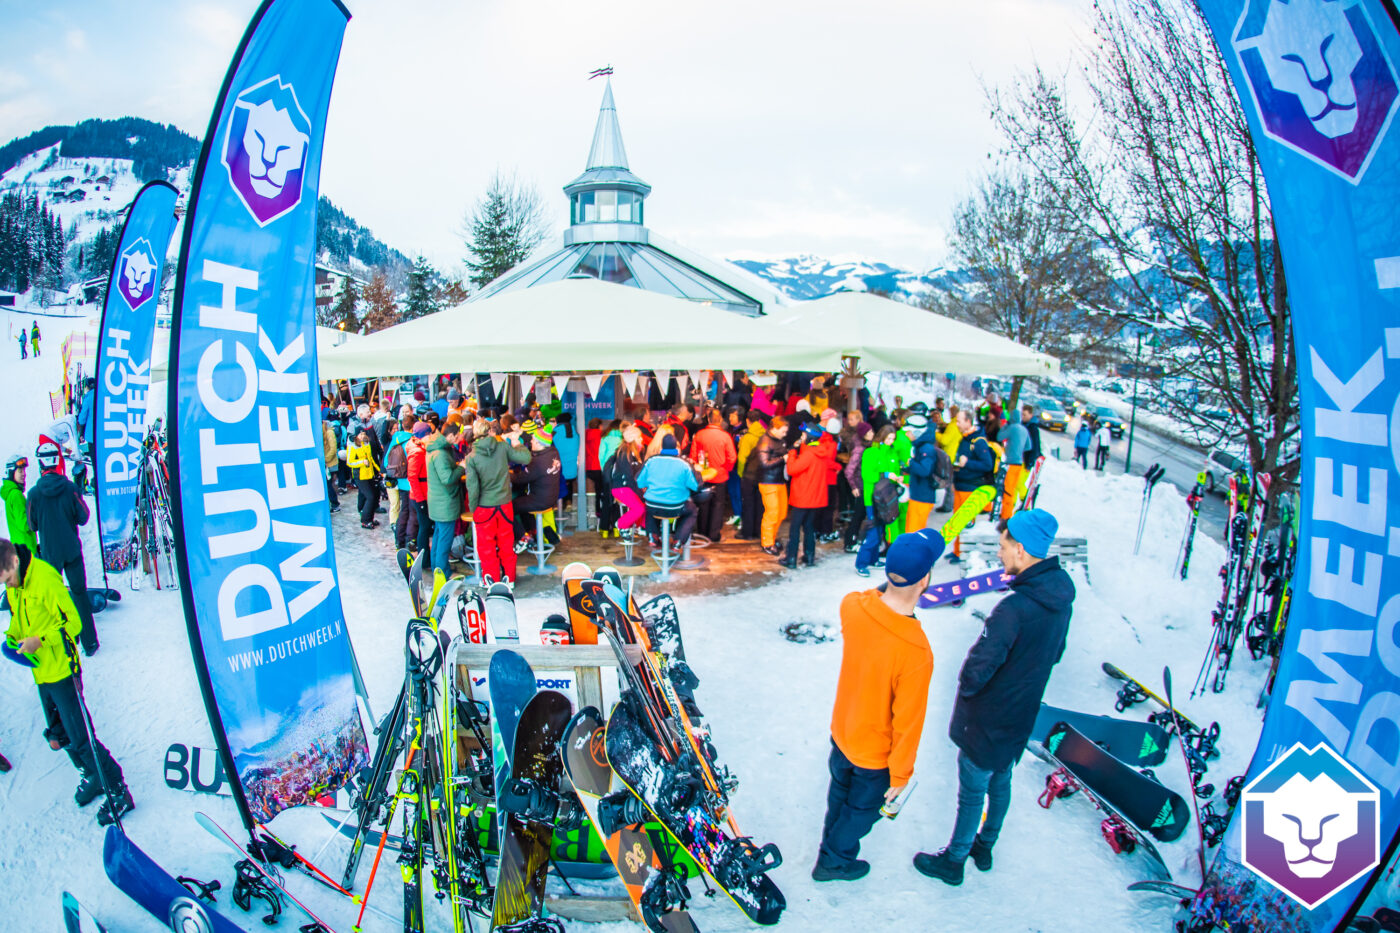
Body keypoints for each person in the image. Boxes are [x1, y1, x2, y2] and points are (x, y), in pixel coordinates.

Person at [914, 509, 1074, 885]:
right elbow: (1056, 653)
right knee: (1001, 778)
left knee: (973, 791)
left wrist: (971, 693)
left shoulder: (1014, 608)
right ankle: (984, 846)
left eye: (1003, 546)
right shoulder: (1060, 596)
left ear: (1021, 550)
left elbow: (977, 670)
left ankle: (953, 862)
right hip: (1022, 712)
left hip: (989, 717)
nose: (999, 554)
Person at [815, 530, 941, 882]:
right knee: (860, 812)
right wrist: (900, 775)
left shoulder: (853, 607)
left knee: (839, 797)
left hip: (843, 734)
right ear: (925, 580)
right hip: (874, 755)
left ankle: (831, 851)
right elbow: (908, 722)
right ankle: (833, 862)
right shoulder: (916, 652)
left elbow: (869, 597)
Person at [1, 537, 132, 823]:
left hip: (63, 669)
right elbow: (19, 620)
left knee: (81, 737)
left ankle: (119, 791)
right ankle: (92, 775)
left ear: (15, 561)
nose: (8, 585)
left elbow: (74, 623)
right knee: (59, 736)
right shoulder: (15, 585)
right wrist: (12, 637)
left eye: (7, 579)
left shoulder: (45, 579)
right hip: (41, 671)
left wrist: (40, 640)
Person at [27, 442, 98, 655]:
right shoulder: (70, 488)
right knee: (79, 594)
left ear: (41, 463)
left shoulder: (34, 494)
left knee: (56, 600)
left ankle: (64, 642)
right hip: (72, 550)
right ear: (57, 461)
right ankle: (90, 643)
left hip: (50, 554)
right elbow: (84, 517)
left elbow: (32, 524)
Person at [465, 420, 532, 583]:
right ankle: (509, 578)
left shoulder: (471, 457)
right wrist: (517, 442)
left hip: (484, 507)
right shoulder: (502, 447)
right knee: (506, 544)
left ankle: (492, 580)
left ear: (475, 434)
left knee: (486, 547)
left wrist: (474, 509)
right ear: (490, 431)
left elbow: (472, 488)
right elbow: (525, 458)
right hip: (504, 504)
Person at [784, 421, 835, 568]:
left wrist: (792, 452)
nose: (802, 437)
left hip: (803, 498)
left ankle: (791, 559)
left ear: (809, 437)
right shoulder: (821, 452)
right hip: (815, 498)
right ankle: (809, 556)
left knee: (795, 528)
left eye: (803, 434)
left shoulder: (809, 454)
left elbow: (792, 469)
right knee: (809, 527)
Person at [637, 434, 699, 548]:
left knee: (650, 506)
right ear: (676, 447)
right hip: (675, 507)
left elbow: (640, 482)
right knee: (692, 511)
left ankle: (653, 536)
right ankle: (678, 540)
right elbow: (695, 486)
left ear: (662, 446)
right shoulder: (684, 464)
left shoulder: (651, 461)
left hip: (653, 506)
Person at [949, 410, 995, 564]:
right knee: (957, 520)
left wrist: (967, 463)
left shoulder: (978, 442)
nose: (957, 424)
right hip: (961, 485)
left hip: (970, 487)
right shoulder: (965, 439)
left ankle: (964, 552)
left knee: (966, 522)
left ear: (968, 422)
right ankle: (957, 551)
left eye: (959, 421)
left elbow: (987, 464)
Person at [511, 422, 563, 551]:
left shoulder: (538, 462)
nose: (531, 442)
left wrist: (506, 473)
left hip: (539, 500)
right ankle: (534, 532)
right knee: (522, 504)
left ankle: (524, 537)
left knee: (507, 508)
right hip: (551, 497)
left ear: (539, 444)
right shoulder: (553, 452)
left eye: (533, 441)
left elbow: (520, 479)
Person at [426, 422, 466, 577]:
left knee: (438, 537)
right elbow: (447, 478)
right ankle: (443, 572)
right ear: (450, 436)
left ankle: (437, 568)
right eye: (457, 436)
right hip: (445, 503)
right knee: (444, 540)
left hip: (439, 501)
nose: (460, 438)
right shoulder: (440, 453)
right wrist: (461, 467)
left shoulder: (438, 449)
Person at [692, 409, 737, 542]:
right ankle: (714, 534)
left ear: (708, 419)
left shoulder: (699, 435)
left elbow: (693, 456)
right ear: (721, 420)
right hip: (720, 475)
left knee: (703, 504)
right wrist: (726, 468)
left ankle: (702, 532)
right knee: (718, 505)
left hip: (704, 475)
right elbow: (732, 457)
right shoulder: (725, 436)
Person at [754, 416, 789, 557]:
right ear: (774, 428)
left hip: (780, 480)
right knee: (772, 513)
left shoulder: (779, 440)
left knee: (782, 513)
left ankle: (773, 538)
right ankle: (767, 543)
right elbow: (764, 463)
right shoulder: (765, 441)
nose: (785, 434)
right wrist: (782, 459)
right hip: (768, 482)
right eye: (783, 431)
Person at [902, 413, 941, 533]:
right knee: (912, 528)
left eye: (909, 432)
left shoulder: (926, 449)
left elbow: (925, 470)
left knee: (914, 531)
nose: (907, 435)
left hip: (922, 496)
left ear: (916, 432)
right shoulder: (921, 446)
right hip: (918, 494)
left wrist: (911, 463)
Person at [605, 426, 648, 534]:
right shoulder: (625, 453)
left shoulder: (636, 452)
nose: (641, 439)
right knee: (639, 508)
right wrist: (639, 491)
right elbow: (629, 476)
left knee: (646, 504)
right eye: (639, 437)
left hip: (628, 487)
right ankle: (620, 524)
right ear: (633, 439)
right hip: (621, 488)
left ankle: (642, 527)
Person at [384, 417, 415, 549]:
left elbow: (386, 462)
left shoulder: (395, 439)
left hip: (400, 481)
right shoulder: (412, 441)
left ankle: (399, 539)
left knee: (404, 510)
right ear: (413, 426)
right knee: (411, 512)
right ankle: (409, 539)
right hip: (411, 482)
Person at [736, 412, 767, 541]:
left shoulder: (747, 438)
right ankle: (758, 531)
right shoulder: (765, 435)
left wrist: (741, 474)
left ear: (748, 421)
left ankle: (747, 533)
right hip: (762, 475)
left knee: (748, 504)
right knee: (760, 504)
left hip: (749, 475)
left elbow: (742, 459)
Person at [842, 421, 872, 553]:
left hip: (866, 485)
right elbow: (849, 470)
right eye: (869, 432)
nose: (872, 434)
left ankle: (855, 539)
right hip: (861, 486)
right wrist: (854, 486)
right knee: (858, 515)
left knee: (862, 514)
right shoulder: (860, 450)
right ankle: (850, 542)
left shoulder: (869, 446)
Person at [3, 455, 37, 561]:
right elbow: (24, 524)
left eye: (24, 470)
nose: (24, 474)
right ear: (11, 473)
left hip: (19, 547)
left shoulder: (10, 494)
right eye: (20, 471)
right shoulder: (16, 495)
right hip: (27, 549)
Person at [407, 423, 433, 559]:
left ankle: (425, 557)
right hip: (420, 495)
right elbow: (412, 476)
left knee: (425, 526)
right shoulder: (417, 452)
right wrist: (420, 499)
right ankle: (424, 558)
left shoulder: (418, 448)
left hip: (422, 493)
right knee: (424, 527)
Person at [346, 429, 381, 529]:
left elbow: (371, 459)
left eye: (364, 434)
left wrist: (378, 470)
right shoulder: (352, 446)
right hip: (360, 475)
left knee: (368, 496)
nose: (362, 436)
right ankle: (365, 520)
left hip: (369, 474)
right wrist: (361, 462)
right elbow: (349, 462)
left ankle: (369, 518)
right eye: (360, 434)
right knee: (370, 497)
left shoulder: (366, 443)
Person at [997, 412, 1030, 520]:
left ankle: (1006, 515)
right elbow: (1028, 446)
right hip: (1019, 463)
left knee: (1008, 490)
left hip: (1011, 462)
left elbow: (999, 437)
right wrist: (1018, 448)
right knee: (1013, 489)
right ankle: (1008, 513)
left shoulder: (1012, 428)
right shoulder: (1024, 430)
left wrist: (1005, 426)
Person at [552, 414, 580, 515]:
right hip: (572, 470)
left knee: (556, 482)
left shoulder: (554, 433)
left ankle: (556, 504)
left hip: (558, 469)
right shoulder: (575, 432)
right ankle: (568, 502)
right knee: (569, 482)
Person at [321, 414, 341, 512]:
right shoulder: (322, 432)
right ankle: (333, 503)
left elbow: (333, 449)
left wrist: (325, 459)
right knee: (327, 484)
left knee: (328, 484)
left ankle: (335, 504)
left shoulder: (329, 432)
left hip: (329, 463)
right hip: (326, 462)